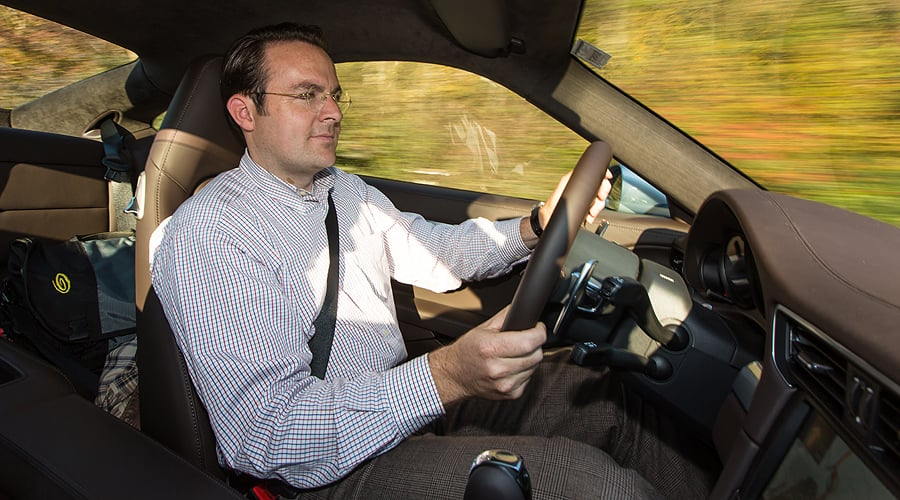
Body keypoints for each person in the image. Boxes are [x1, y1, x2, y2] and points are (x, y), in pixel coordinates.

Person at [151, 22, 718, 499]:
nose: (332, 112)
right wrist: (445, 375)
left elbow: (440, 255)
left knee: (605, 394)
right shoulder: (211, 235)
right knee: (577, 481)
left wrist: (537, 225)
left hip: (401, 413)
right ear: (244, 111)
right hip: (325, 474)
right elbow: (270, 435)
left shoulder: (344, 193)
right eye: (306, 95)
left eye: (335, 95)